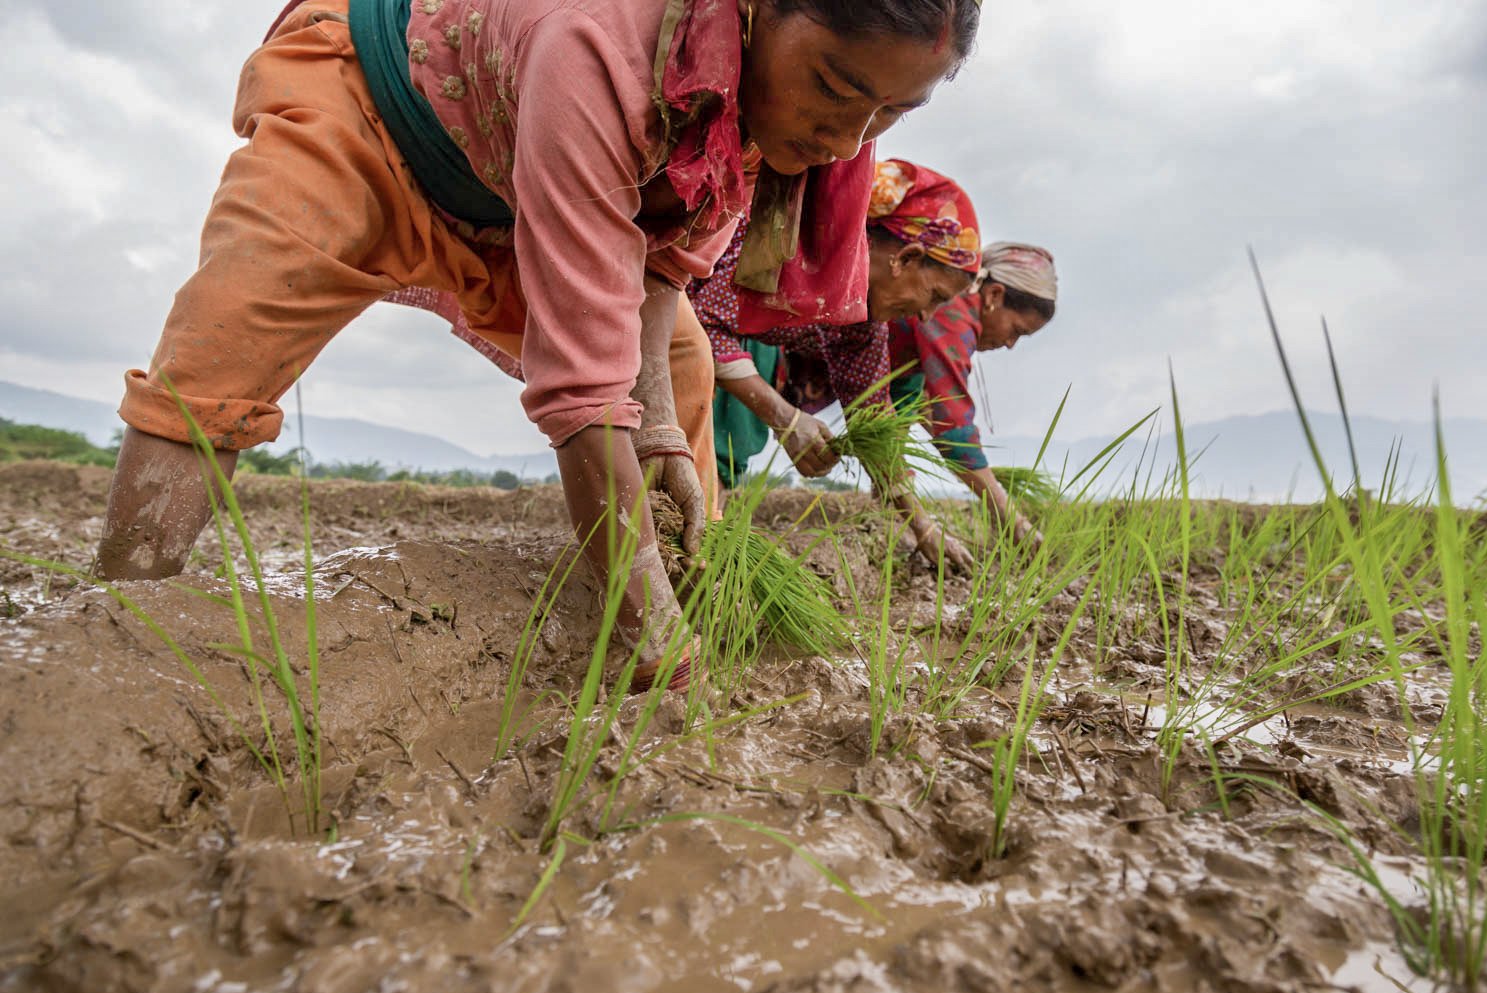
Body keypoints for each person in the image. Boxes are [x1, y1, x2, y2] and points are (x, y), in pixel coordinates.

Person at [92, 0, 982, 689]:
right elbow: (584, 395)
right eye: (832, 87)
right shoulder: (605, 43)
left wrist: (664, 432)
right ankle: (122, 626)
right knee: (238, 315)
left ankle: (699, 584)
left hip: (508, 185)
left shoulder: (749, 118)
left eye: (887, 113)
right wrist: (648, 645)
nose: (845, 139)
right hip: (373, 107)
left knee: (678, 355)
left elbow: (661, 269)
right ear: (755, 9)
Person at [694, 158, 981, 570]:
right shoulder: (790, 239)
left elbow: (873, 419)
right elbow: (698, 323)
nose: (925, 317)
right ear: (907, 258)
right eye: (934, 295)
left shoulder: (861, 326)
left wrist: (925, 528)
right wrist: (784, 417)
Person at [887, 241, 1058, 548]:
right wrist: (1010, 516)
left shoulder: (952, 313)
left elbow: (925, 407)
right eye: (1016, 330)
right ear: (994, 295)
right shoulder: (952, 313)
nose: (1009, 344)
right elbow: (953, 429)